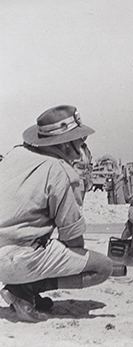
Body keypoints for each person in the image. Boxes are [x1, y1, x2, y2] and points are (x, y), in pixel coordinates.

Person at [0, 105, 113, 322]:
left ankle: (24, 287)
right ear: (65, 142)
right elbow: (72, 239)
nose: (82, 144)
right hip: (16, 260)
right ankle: (25, 289)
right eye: (79, 139)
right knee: (103, 267)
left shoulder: (15, 153)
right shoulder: (61, 172)